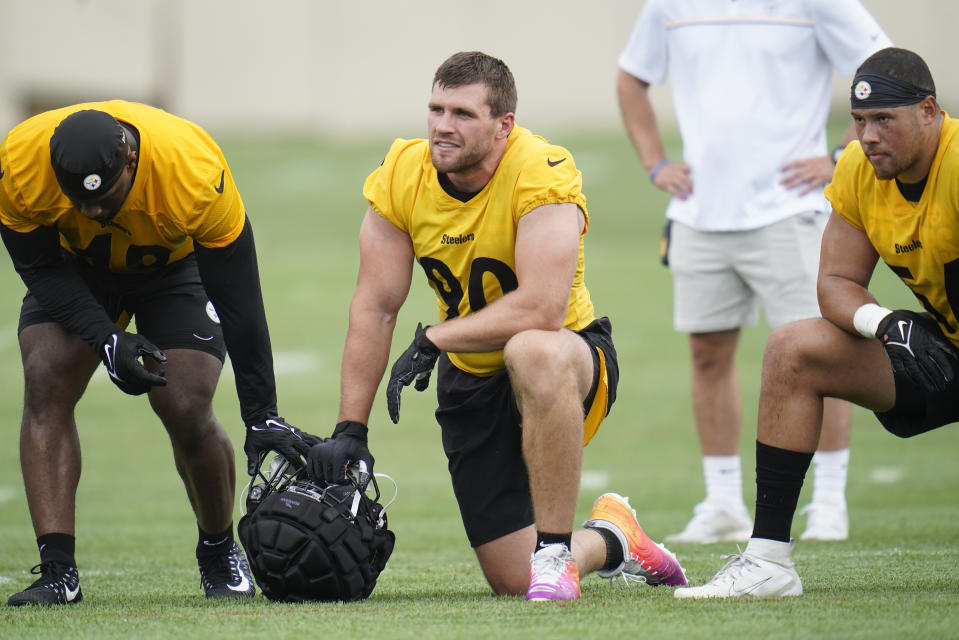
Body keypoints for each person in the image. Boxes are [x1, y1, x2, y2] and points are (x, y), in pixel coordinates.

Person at [305, 51, 686, 602]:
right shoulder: (403, 173)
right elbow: (375, 306)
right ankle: (615, 538)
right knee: (512, 579)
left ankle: (555, 551)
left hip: (570, 359)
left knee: (533, 349)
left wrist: (435, 337)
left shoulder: (541, 167)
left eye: (462, 113)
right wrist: (350, 431)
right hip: (471, 376)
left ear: (503, 125)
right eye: (436, 109)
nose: (441, 125)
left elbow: (542, 310)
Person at [0, 102, 319, 605]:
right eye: (78, 200)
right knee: (45, 375)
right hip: (76, 268)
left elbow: (240, 301)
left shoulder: (191, 170)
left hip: (172, 267)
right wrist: (107, 338)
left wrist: (261, 415)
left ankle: (217, 549)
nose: (93, 212)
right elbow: (39, 268)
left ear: (130, 160)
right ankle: (58, 571)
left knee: (185, 400)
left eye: (105, 196)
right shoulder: (18, 163)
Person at [674, 46, 955, 598]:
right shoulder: (857, 169)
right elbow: (835, 284)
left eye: (883, 120)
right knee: (792, 350)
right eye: (858, 121)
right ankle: (770, 562)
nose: (867, 136)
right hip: (945, 348)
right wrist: (886, 322)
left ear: (929, 111)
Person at [617, 0, 891, 544]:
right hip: (701, 212)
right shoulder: (668, 6)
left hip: (791, 209)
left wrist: (842, 154)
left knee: (822, 353)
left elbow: (884, 63)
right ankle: (722, 503)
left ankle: (829, 501)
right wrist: (656, 162)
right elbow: (631, 78)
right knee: (707, 355)